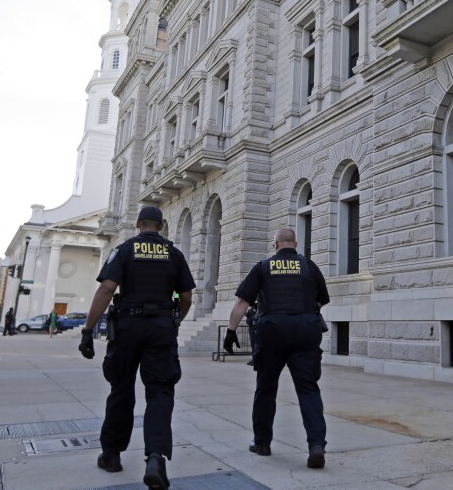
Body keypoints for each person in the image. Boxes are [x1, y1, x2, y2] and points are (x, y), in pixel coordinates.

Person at [78, 206, 195, 489]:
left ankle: (112, 455)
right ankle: (156, 457)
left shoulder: (126, 249)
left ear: (139, 224)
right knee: (160, 391)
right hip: (161, 329)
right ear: (162, 225)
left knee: (121, 389)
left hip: (128, 328)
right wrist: (174, 321)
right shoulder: (174, 253)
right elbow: (187, 296)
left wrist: (88, 329)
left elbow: (107, 289)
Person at [224, 228, 330, 468]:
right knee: (308, 390)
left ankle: (262, 443)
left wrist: (231, 331)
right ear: (295, 244)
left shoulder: (263, 267)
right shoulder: (309, 266)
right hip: (305, 331)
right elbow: (322, 299)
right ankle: (316, 445)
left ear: (275, 246)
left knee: (266, 389)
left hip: (272, 332)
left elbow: (242, 302)